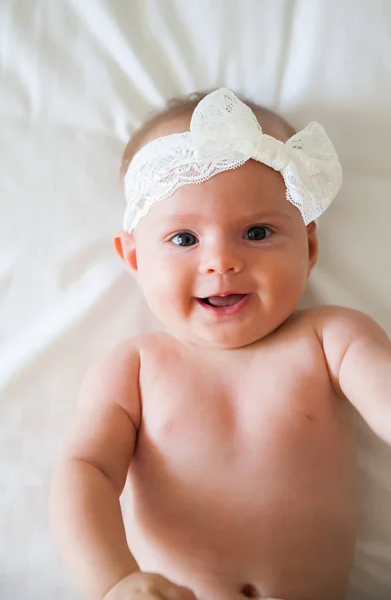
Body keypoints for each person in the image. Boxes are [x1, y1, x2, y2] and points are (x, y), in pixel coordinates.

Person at [49, 88, 391, 600]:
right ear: (136, 258)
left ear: (310, 245)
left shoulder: (331, 339)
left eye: (256, 232)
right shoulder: (134, 369)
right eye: (184, 239)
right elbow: (85, 473)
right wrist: (114, 581)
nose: (222, 262)